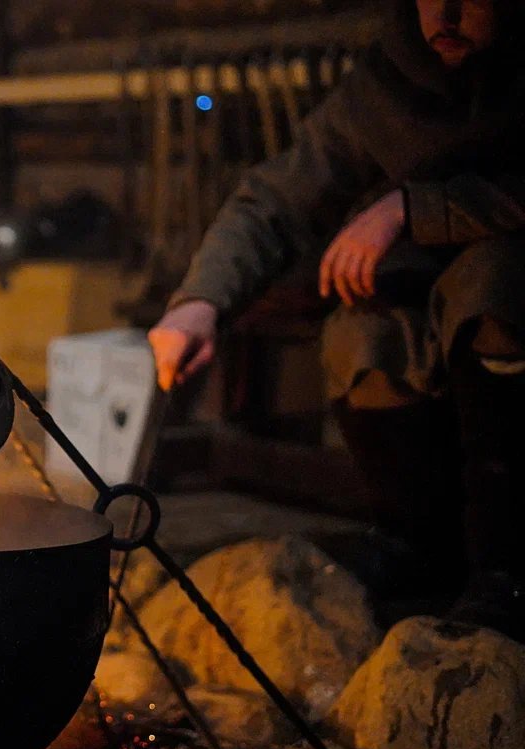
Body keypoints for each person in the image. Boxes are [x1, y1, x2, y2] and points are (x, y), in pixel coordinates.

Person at [147, 0, 524, 639]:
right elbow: (278, 195)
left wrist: (414, 210)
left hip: (503, 301)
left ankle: (508, 567)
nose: (449, 12)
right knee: (364, 329)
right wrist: (199, 304)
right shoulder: (391, 80)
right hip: (434, 309)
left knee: (492, 284)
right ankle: (421, 545)